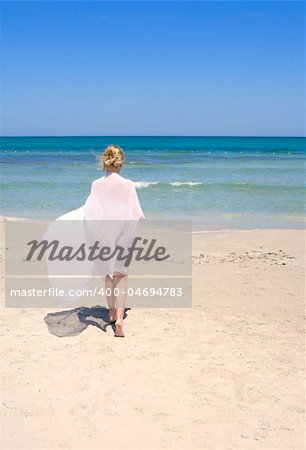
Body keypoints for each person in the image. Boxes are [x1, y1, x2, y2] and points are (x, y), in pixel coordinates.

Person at [84, 145, 145, 337]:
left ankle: (110, 312)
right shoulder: (128, 184)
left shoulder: (96, 184)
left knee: (107, 275)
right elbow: (136, 214)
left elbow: (91, 213)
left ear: (105, 161)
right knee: (121, 276)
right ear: (121, 162)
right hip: (123, 234)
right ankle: (119, 319)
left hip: (103, 235)